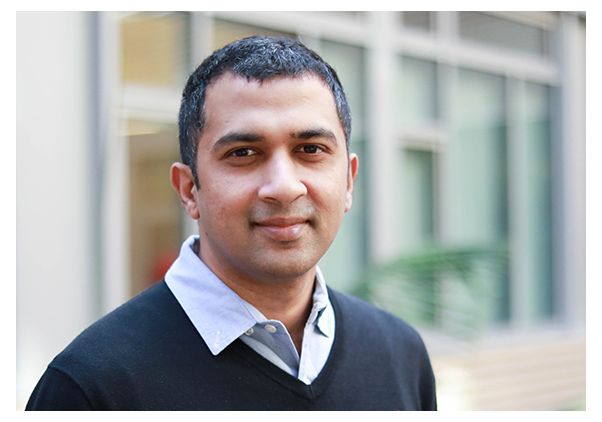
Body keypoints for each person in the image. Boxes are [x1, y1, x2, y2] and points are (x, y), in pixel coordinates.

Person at [26, 35, 437, 411]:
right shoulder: (91, 387)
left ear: (348, 180)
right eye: (243, 153)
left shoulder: (400, 354)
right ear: (189, 189)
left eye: (310, 149)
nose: (283, 187)